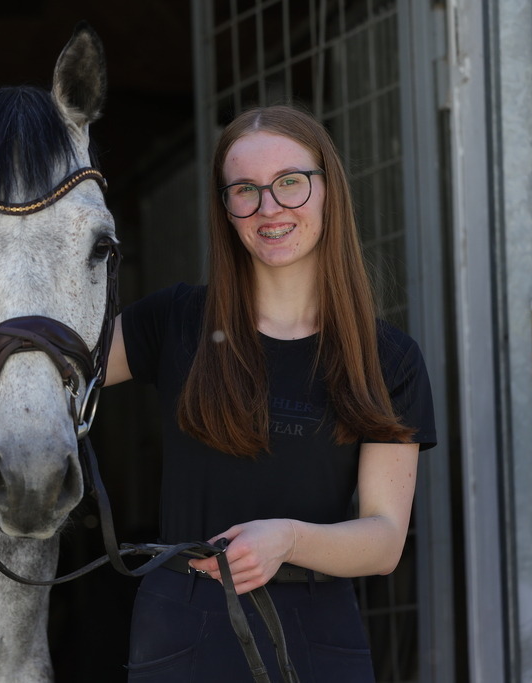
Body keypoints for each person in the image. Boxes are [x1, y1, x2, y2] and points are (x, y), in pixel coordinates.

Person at [104, 104, 437, 682]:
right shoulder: (175, 321)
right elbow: (44, 367)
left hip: (318, 627)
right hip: (182, 623)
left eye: (290, 183)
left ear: (328, 188)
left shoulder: (387, 359)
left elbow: (384, 541)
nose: (269, 208)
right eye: (245, 190)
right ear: (226, 208)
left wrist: (286, 539)